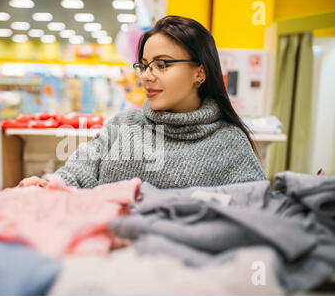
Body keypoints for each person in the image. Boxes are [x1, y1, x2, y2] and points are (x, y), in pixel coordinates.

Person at [19, 15, 266, 189]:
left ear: (200, 72)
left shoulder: (229, 142)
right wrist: (48, 184)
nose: (146, 76)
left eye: (162, 64)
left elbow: (254, 211)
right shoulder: (124, 124)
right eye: (144, 65)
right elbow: (78, 172)